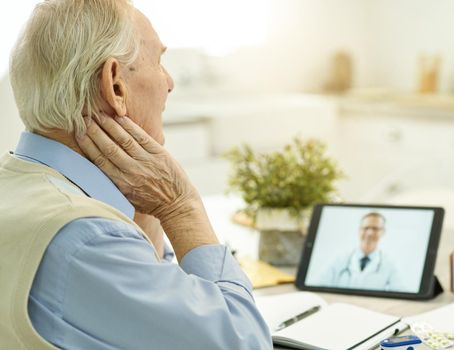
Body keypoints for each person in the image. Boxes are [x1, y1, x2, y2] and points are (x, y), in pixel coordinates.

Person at [0, 1, 272, 349]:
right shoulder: (88, 239)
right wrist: (180, 206)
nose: (169, 83)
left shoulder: (19, 185)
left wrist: (146, 203)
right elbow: (244, 342)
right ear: (115, 86)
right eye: (159, 62)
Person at [321, 212, 404, 291]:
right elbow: (319, 284)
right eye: (366, 228)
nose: (370, 233)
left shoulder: (390, 264)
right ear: (359, 230)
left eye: (375, 229)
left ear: (383, 232)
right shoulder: (339, 259)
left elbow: (401, 292)